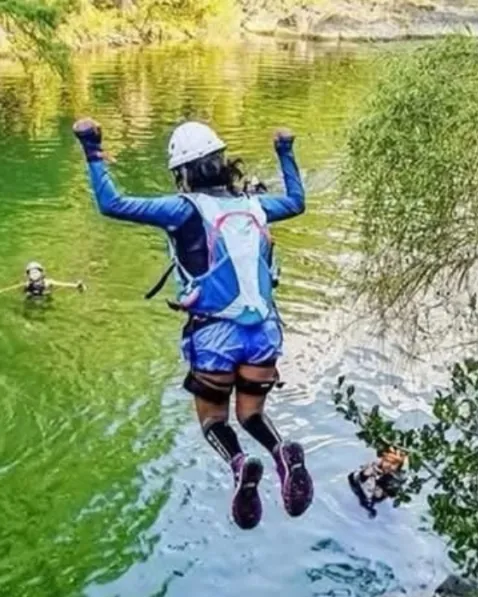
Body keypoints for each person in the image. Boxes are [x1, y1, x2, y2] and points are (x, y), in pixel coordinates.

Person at [72, 117, 311, 530]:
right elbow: (295, 201)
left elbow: (113, 204)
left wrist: (92, 148)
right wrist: (285, 152)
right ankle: (279, 453)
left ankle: (240, 463)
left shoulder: (181, 210)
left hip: (215, 335)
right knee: (251, 412)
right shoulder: (256, 206)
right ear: (221, 162)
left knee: (214, 419)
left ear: (182, 173)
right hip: (263, 334)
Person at [348, 447, 407, 517]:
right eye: (388, 463)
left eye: (393, 465)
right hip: (359, 484)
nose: (389, 466)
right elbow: (363, 477)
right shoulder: (372, 470)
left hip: (373, 485)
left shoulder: (392, 474)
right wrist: (371, 510)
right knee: (367, 499)